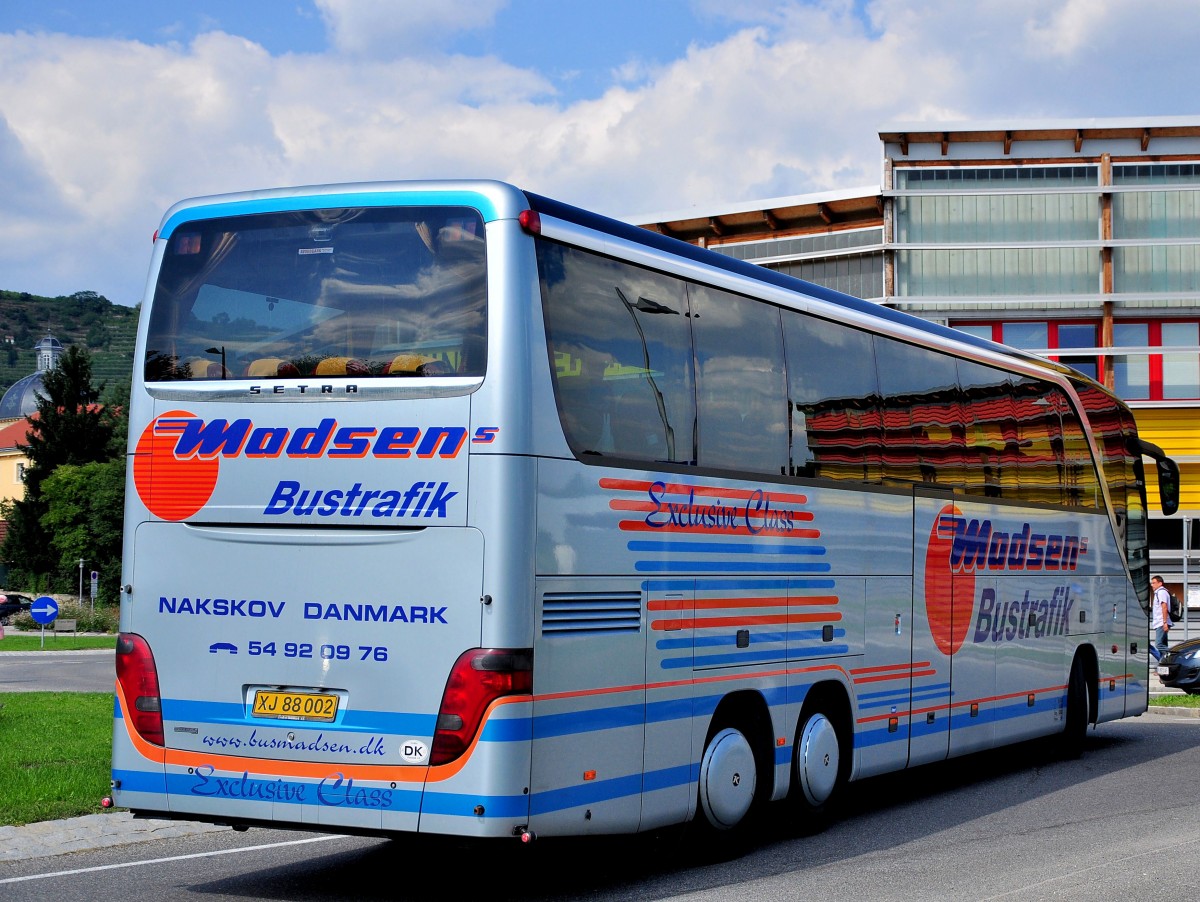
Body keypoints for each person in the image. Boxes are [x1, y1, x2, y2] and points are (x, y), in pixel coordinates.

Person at [1151, 574, 1172, 660]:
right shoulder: (1159, 593)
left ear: (1160, 583)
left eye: (1154, 583)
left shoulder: (1161, 592)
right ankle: (1166, 666)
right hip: (1160, 622)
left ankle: (1173, 657)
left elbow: (1164, 607)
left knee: (1159, 645)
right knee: (1163, 645)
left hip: (1161, 623)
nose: (1152, 585)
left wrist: (1164, 622)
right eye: (1151, 583)